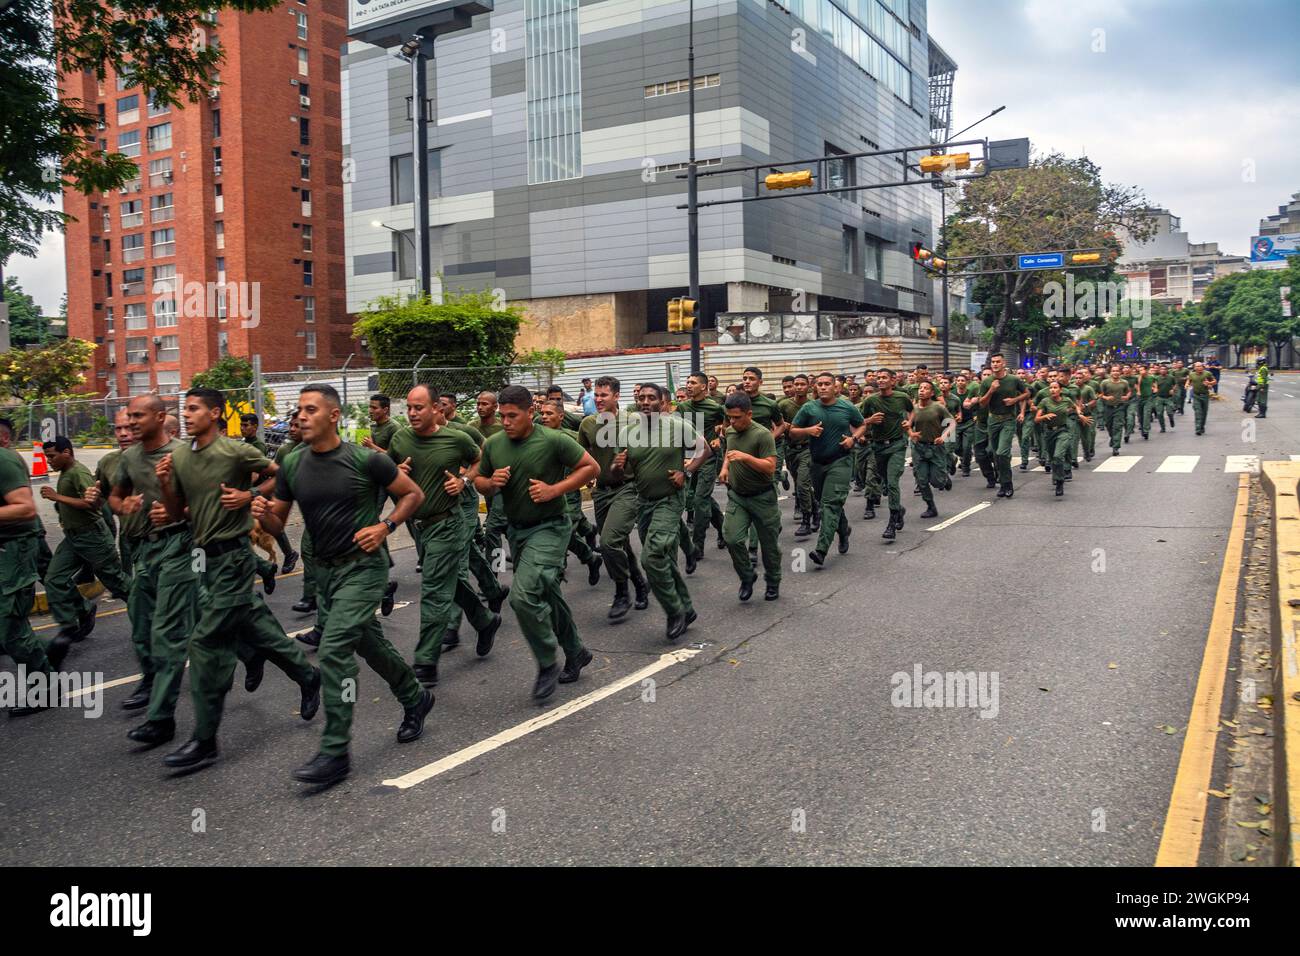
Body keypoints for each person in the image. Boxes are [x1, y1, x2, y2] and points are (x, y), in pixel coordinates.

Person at [253, 384, 430, 785]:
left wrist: (385, 527)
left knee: (333, 650)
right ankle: (416, 696)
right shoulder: (293, 464)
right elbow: (278, 523)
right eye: (298, 410)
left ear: (333, 416)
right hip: (327, 575)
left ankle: (335, 752)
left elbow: (412, 494)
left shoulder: (366, 461)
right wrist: (263, 514)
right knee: (368, 644)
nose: (300, 416)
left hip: (363, 569)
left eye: (310, 409)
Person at [152, 387, 323, 767]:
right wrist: (165, 483)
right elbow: (178, 511)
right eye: (185, 408)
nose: (187, 414)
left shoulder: (235, 451)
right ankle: (307, 676)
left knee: (205, 643)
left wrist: (249, 496)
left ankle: (205, 740)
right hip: (206, 561)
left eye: (194, 409)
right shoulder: (180, 455)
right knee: (256, 630)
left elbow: (281, 475)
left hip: (233, 559)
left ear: (215, 414)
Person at [470, 385, 600, 699]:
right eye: (502, 416)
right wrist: (491, 483)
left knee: (523, 596)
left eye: (513, 416)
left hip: (551, 528)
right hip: (517, 531)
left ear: (531, 412)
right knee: (547, 593)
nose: (506, 422)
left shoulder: (553, 440)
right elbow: (480, 481)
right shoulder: (494, 444)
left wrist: (556, 490)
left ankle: (546, 661)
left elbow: (591, 467)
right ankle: (576, 651)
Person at [387, 384, 497, 687]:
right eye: (409, 407)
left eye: (418, 407)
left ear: (436, 408)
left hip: (447, 523)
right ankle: (485, 621)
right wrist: (397, 473)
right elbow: (389, 472)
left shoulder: (457, 438)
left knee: (435, 589)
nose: (412, 413)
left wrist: (463, 481)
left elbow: (479, 461)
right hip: (419, 527)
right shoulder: (401, 438)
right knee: (451, 580)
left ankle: (425, 660)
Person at [621, 383, 711, 642]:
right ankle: (687, 608)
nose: (645, 402)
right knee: (664, 560)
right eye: (641, 398)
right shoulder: (629, 432)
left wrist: (687, 472)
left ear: (662, 402)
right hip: (644, 502)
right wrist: (619, 467)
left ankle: (674, 612)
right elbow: (625, 472)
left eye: (651, 398)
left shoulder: (678, 426)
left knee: (651, 558)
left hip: (669, 500)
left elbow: (705, 449)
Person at [39, 437, 130, 649]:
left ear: (67, 453)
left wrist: (57, 498)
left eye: (52, 456)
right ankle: (79, 615)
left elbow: (93, 506)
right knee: (54, 579)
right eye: (46, 456)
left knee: (117, 583)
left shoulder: (78, 473)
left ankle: (151, 615)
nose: (48, 461)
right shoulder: (65, 472)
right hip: (73, 538)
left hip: (93, 537)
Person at [579, 376, 649, 621]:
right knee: (618, 543)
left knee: (609, 542)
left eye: (603, 395)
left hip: (628, 489)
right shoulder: (587, 424)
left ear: (617, 396)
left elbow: (648, 455)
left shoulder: (633, 421)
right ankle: (640, 582)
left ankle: (622, 592)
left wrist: (630, 458)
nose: (598, 400)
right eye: (595, 395)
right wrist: (587, 475)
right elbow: (584, 454)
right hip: (602, 491)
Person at [789, 372, 865, 564]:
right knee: (828, 503)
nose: (822, 387)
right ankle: (843, 529)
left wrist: (852, 439)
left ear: (835, 387)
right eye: (819, 384)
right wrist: (808, 431)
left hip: (841, 461)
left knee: (829, 506)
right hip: (817, 463)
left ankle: (821, 550)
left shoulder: (846, 406)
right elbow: (792, 431)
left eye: (826, 384)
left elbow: (862, 425)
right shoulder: (809, 408)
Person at [718, 392, 780, 601]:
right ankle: (746, 576)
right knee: (732, 539)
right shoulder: (729, 431)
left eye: (737, 417)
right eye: (729, 417)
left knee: (769, 545)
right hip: (738, 496)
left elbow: (770, 467)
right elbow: (729, 451)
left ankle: (773, 582)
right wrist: (725, 468)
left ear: (749, 414)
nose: (732, 422)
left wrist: (746, 457)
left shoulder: (762, 434)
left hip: (762, 497)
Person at [675, 372, 726, 565]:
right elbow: (676, 430)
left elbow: (727, 422)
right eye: (688, 382)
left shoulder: (715, 407)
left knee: (699, 500)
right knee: (702, 498)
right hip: (689, 459)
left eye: (693, 383)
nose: (689, 385)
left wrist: (719, 436)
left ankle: (698, 545)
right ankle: (723, 529)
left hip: (708, 458)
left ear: (703, 387)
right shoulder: (682, 407)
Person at [862, 370, 913, 540]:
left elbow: (911, 410)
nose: (881, 380)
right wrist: (869, 421)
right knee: (884, 482)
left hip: (897, 445)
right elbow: (858, 421)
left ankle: (891, 522)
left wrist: (909, 422)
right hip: (878, 447)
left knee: (892, 482)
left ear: (893, 381)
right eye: (879, 378)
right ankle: (899, 508)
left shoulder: (901, 397)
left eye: (884, 377)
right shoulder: (871, 400)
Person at [978, 353, 1029, 498]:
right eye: (993, 362)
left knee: (1002, 452)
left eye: (998, 362)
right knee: (996, 454)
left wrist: (1014, 400)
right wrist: (991, 390)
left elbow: (1026, 393)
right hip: (993, 420)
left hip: (1008, 420)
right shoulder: (987, 382)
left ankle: (1007, 483)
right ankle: (1003, 483)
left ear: (1003, 363)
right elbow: (982, 403)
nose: (995, 364)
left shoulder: (1013, 379)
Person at [906, 382, 952, 519]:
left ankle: (944, 477)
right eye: (920, 388)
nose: (922, 390)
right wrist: (910, 433)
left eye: (926, 388)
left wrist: (943, 436)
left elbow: (951, 423)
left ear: (932, 393)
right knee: (921, 480)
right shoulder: (914, 410)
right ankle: (931, 506)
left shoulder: (938, 407)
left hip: (936, 447)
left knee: (937, 482)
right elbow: (908, 425)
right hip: (919, 448)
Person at [1035, 380, 1077, 496]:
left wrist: (1078, 414)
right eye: (1050, 388)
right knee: (1053, 457)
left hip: (1062, 430)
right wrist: (1045, 416)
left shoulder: (1066, 400)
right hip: (1049, 432)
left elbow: (1075, 407)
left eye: (1055, 387)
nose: (1052, 390)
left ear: (1060, 390)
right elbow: (1037, 419)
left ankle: (1059, 481)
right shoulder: (1045, 401)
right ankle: (1057, 476)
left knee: (1058, 456)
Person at [1096, 366, 1131, 455]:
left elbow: (1128, 391)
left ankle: (1116, 447)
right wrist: (1106, 397)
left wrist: (1127, 396)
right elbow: (1099, 394)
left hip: (1119, 407)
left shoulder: (1124, 382)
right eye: (1113, 371)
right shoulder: (1105, 382)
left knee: (1117, 427)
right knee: (1109, 426)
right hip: (1108, 408)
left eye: (1117, 371)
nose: (1115, 372)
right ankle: (1113, 438)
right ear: (1110, 373)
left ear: (1120, 372)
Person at [1186, 361, 1217, 435]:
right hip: (1196, 396)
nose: (1199, 368)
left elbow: (1215, 381)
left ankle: (1202, 426)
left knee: (1204, 413)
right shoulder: (1191, 374)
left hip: (1205, 396)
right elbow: (1189, 381)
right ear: (1194, 368)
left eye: (1200, 366)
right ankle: (1198, 429)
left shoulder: (1207, 373)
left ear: (1203, 367)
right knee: (1198, 412)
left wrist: (1209, 383)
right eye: (1197, 366)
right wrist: (1187, 385)